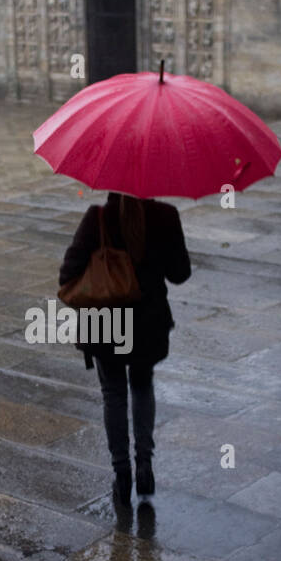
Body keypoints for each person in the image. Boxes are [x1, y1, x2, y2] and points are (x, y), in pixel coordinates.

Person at [59, 191, 191, 504]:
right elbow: (180, 274)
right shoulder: (166, 216)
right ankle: (144, 465)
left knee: (113, 393)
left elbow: (67, 275)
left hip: (106, 322)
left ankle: (122, 474)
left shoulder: (98, 218)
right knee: (142, 385)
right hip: (149, 323)